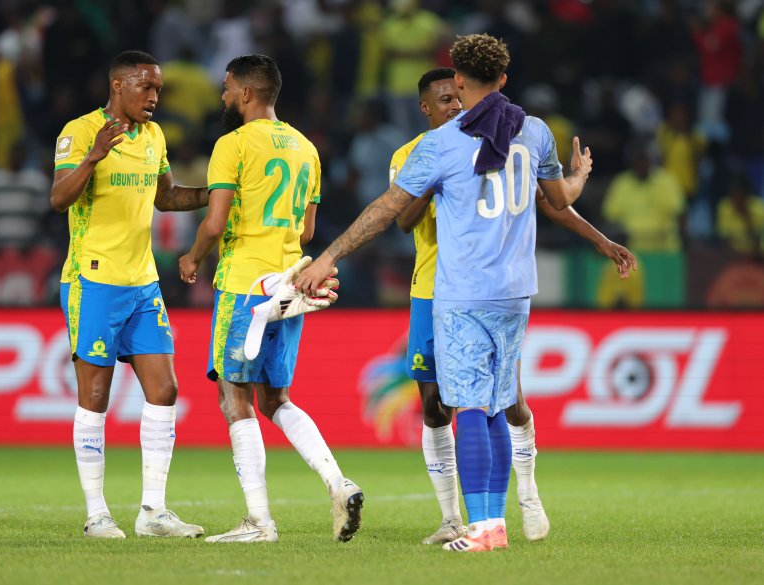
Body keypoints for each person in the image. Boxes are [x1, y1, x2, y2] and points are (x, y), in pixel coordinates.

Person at [296, 34, 595, 552]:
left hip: (463, 294)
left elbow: (388, 209)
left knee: (471, 409)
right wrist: (578, 178)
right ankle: (495, 521)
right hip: (517, 293)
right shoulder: (537, 131)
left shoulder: (442, 142)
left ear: (459, 80)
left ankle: (481, 526)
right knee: (499, 406)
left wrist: (328, 256)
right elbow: (559, 198)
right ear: (503, 80)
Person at [393, 68, 636, 546]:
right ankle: (453, 518)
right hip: (431, 289)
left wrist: (602, 240)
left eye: (456, 96)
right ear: (426, 107)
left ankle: (526, 493)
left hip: (488, 291)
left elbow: (552, 202)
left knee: (509, 404)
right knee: (435, 407)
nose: (453, 106)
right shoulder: (415, 154)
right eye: (443, 100)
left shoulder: (498, 135)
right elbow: (403, 219)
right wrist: (431, 179)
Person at [177, 54, 363, 544]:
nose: (221, 95)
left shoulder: (232, 144)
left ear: (244, 93)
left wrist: (193, 257)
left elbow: (214, 223)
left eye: (226, 87)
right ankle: (337, 482)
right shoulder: (307, 147)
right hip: (291, 284)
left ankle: (259, 522)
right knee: (276, 397)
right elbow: (307, 229)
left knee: (234, 397)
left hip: (243, 285)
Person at [50, 50, 208, 539]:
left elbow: (165, 197)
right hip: (92, 279)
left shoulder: (154, 136)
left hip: (142, 283)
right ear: (119, 85)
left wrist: (213, 194)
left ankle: (153, 512)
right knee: (95, 396)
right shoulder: (78, 132)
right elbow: (58, 198)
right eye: (147, 88)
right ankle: (97, 514)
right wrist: (94, 155)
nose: (155, 98)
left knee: (166, 390)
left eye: (158, 89)